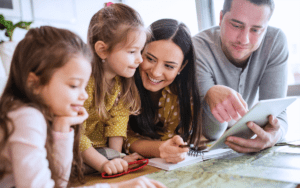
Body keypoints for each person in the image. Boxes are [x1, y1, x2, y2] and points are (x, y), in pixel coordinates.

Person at [0, 26, 166, 188]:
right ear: (34, 83)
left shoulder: (48, 117)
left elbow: (59, 183)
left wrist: (63, 127)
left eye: (84, 85)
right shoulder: (26, 117)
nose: (84, 95)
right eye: (73, 86)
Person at [193, 0, 288, 153]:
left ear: (265, 28)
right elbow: (210, 132)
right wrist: (211, 93)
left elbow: (278, 114)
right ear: (221, 17)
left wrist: (274, 135)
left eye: (256, 30)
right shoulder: (196, 49)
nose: (244, 40)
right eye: (236, 25)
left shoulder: (275, 41)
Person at [80, 3, 147, 175]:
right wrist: (103, 164)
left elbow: (118, 123)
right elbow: (74, 134)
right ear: (102, 50)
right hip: (73, 146)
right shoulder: (84, 82)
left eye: (141, 51)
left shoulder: (122, 82)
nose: (140, 59)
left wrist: (117, 158)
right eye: (132, 52)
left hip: (99, 151)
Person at [124, 19, 203, 164]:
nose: (156, 72)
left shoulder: (185, 93)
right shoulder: (123, 83)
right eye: (150, 59)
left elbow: (173, 139)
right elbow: (122, 138)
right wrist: (160, 148)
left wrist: (170, 148)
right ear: (140, 50)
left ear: (181, 67)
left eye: (169, 66)